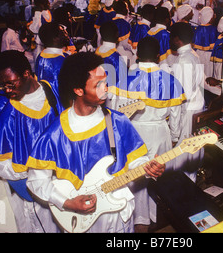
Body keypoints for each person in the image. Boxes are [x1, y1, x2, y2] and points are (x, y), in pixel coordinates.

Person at [25, 52, 165, 233]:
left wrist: (148, 167)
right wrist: (66, 202)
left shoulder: (118, 122)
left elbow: (136, 160)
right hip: (80, 220)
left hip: (119, 215)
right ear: (78, 90)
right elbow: (36, 181)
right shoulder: (54, 135)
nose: (106, 89)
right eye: (98, 85)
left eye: (105, 82)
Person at [0, 50, 60, 233]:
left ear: (26, 73)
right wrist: (28, 179)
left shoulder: (51, 90)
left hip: (60, 181)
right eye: (3, 85)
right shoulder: (3, 108)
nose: (7, 90)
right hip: (30, 188)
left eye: (11, 83)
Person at [123, 36, 185, 233]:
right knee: (159, 175)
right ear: (159, 56)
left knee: (137, 178)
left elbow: (116, 113)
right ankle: (157, 215)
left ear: (137, 55)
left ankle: (138, 218)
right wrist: (174, 136)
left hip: (134, 132)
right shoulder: (169, 80)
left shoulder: (125, 79)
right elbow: (176, 116)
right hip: (159, 131)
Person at [169, 22, 205, 182]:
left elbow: (180, 98)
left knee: (182, 155)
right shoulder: (193, 54)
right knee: (192, 152)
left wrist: (174, 131)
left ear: (177, 39)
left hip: (187, 110)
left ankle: (185, 190)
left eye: (171, 37)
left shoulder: (183, 60)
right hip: (196, 106)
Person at [35, 22, 71, 114]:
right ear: (55, 38)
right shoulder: (61, 61)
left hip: (46, 108)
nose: (66, 34)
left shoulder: (41, 56)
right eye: (62, 33)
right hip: (61, 108)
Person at [95, 21, 129, 110]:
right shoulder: (116, 57)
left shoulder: (96, 52)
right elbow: (123, 83)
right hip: (111, 100)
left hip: (96, 96)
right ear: (117, 34)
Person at [28, 0, 52, 70]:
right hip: (39, 46)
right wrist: (37, 13)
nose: (49, 2)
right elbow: (34, 29)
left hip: (50, 44)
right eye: (46, 1)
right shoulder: (36, 14)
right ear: (40, 3)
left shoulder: (50, 13)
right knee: (39, 67)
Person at [193, 6, 218, 79]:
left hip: (198, 53)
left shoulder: (197, 28)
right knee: (208, 75)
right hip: (209, 56)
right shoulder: (214, 29)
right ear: (209, 17)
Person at [112, 0, 134, 66]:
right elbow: (126, 44)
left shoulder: (111, 21)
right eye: (126, 8)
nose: (128, 10)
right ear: (123, 9)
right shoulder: (124, 24)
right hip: (122, 52)